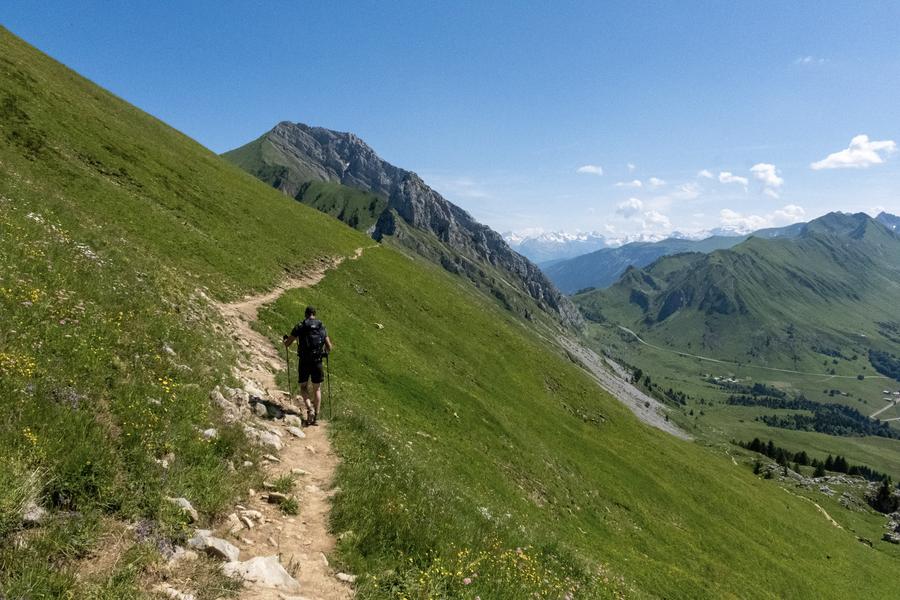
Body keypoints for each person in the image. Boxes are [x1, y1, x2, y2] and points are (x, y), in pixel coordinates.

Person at [283, 306, 333, 426]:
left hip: (304, 361)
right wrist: (324, 352)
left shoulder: (301, 326)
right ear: (314, 314)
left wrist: (284, 340)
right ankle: (316, 416)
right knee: (317, 389)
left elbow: (288, 343)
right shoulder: (321, 326)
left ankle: (310, 409)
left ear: (306, 314)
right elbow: (329, 347)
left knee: (304, 387)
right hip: (317, 362)